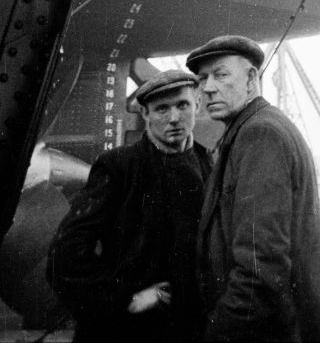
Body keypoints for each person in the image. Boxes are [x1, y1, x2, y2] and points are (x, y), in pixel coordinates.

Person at [186, 35, 320, 343]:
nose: (208, 87)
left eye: (220, 74)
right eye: (202, 79)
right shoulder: (252, 129)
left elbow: (261, 270)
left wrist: (217, 335)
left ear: (252, 79)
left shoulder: (260, 135)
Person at [47, 69, 211, 343]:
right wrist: (126, 298)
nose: (173, 118)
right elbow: (64, 257)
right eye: (161, 109)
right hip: (126, 331)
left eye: (182, 105)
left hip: (187, 329)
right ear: (145, 115)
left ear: (197, 105)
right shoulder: (118, 166)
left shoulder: (209, 164)